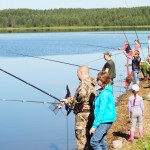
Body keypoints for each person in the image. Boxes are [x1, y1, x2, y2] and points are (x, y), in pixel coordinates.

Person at [60, 65, 96, 150]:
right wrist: (68, 100)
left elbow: (82, 96)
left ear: (81, 73)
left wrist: (73, 103)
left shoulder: (83, 84)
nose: (77, 76)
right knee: (90, 140)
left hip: (82, 116)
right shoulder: (92, 82)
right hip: (91, 113)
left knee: (82, 141)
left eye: (77, 73)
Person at [89, 71, 116, 150]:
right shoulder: (107, 90)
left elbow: (101, 110)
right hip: (107, 120)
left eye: (98, 79)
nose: (97, 81)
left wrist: (94, 126)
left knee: (93, 142)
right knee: (102, 142)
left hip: (104, 121)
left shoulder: (104, 94)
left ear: (102, 81)